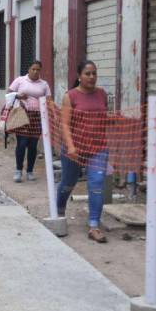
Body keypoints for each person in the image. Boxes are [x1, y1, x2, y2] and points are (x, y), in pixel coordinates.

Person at [57, 60, 109, 243]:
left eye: (94, 73)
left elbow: (104, 119)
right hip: (74, 149)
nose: (92, 77)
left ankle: (94, 225)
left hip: (99, 148)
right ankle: (60, 210)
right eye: (88, 73)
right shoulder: (70, 96)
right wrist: (71, 146)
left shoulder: (102, 94)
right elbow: (64, 124)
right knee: (68, 183)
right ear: (79, 76)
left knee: (97, 184)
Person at [7, 60, 51, 182]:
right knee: (22, 143)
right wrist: (19, 96)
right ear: (29, 69)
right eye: (33, 69)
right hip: (22, 114)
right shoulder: (20, 80)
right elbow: (9, 93)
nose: (35, 71)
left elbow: (48, 99)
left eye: (38, 69)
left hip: (37, 117)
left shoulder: (44, 84)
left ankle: (30, 171)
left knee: (33, 145)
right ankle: (18, 170)